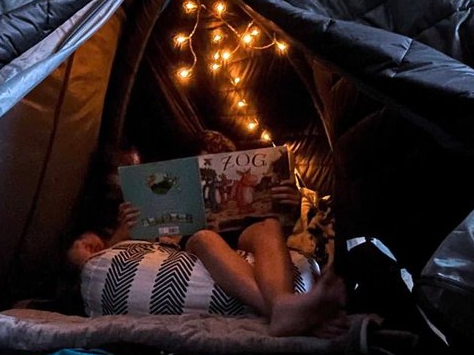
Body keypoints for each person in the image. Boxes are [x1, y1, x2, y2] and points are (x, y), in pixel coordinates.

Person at [68, 133, 346, 336]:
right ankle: (283, 308)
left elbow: (287, 240)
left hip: (245, 229)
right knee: (203, 237)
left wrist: (290, 206)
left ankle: (284, 309)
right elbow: (103, 255)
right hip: (198, 234)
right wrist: (123, 231)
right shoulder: (109, 216)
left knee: (269, 227)